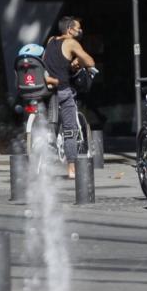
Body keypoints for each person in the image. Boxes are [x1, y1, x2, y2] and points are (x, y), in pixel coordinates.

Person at [44, 16, 96, 179]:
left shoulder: (51, 40)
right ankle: (71, 169)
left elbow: (50, 61)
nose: (80, 31)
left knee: (49, 124)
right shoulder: (71, 43)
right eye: (78, 28)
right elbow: (89, 61)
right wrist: (78, 60)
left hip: (47, 89)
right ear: (69, 29)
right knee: (69, 130)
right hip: (63, 90)